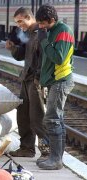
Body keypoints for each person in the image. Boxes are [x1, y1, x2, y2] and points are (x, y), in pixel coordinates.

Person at [5, 7, 49, 161]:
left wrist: (39, 78)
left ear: (28, 17)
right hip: (26, 79)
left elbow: (46, 59)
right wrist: (13, 48)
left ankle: (47, 151)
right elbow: (21, 55)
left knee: (37, 117)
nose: (19, 25)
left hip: (36, 81)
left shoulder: (41, 33)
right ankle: (26, 148)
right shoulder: (28, 34)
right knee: (23, 115)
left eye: (20, 21)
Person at [35, 4, 75, 170]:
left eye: (43, 23)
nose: (40, 27)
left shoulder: (63, 31)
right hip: (53, 81)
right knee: (57, 119)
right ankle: (55, 157)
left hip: (61, 80)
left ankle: (55, 159)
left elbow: (58, 58)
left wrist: (44, 41)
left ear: (52, 20)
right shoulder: (51, 30)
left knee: (52, 119)